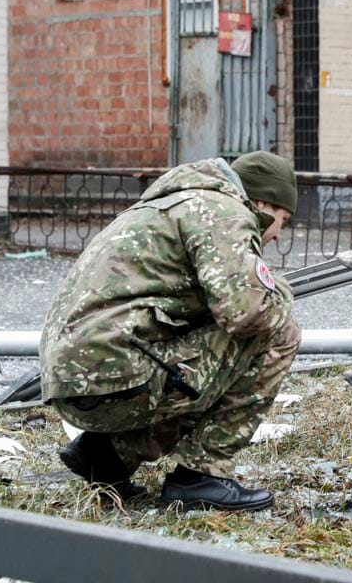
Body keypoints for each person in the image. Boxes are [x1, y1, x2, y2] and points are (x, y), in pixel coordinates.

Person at [40, 151, 302, 511]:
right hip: (114, 377)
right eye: (283, 220)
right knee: (279, 333)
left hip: (73, 381)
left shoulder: (173, 203)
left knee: (209, 355)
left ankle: (108, 455)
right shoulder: (224, 211)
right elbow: (246, 314)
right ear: (263, 203)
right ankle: (201, 475)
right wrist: (279, 292)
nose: (278, 234)